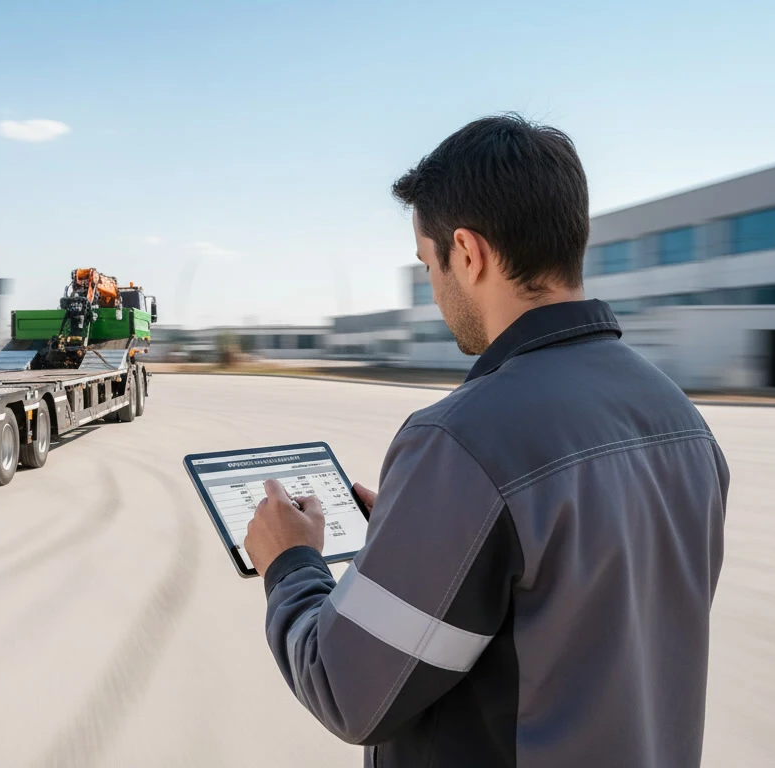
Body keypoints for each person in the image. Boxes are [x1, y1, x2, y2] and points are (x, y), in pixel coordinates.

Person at [243, 114, 729, 768]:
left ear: (467, 253)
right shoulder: (682, 422)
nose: (434, 289)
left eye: (428, 264)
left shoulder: (465, 440)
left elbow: (347, 689)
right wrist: (426, 526)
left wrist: (290, 564)